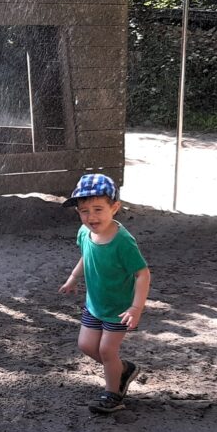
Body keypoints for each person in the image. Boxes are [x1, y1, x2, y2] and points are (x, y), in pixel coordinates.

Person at [59, 173, 151, 414]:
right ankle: (123, 370)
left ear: (115, 207)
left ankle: (114, 395)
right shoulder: (84, 232)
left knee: (106, 351)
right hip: (95, 304)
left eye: (98, 209)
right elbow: (86, 257)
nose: (91, 217)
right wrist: (73, 278)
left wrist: (136, 308)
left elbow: (143, 274)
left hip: (118, 309)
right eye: (84, 211)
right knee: (86, 345)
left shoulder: (122, 241)